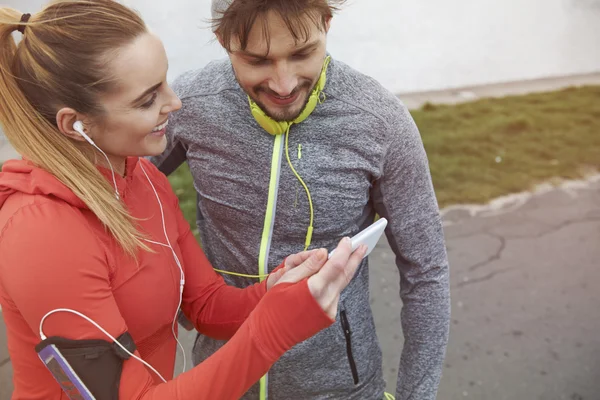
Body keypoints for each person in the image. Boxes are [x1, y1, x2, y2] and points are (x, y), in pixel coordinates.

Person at [0, 1, 368, 399]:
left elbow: (206, 305)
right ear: (76, 124)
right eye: (147, 100)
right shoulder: (40, 235)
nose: (174, 104)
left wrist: (274, 290)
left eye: (164, 82)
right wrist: (275, 326)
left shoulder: (144, 180)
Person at [152, 0, 451, 399]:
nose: (284, 83)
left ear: (326, 24)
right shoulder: (190, 103)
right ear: (222, 39)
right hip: (220, 381)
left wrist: (418, 395)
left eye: (302, 53)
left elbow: (426, 270)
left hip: (339, 388)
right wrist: (170, 280)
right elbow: (112, 190)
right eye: (257, 60)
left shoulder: (380, 121)